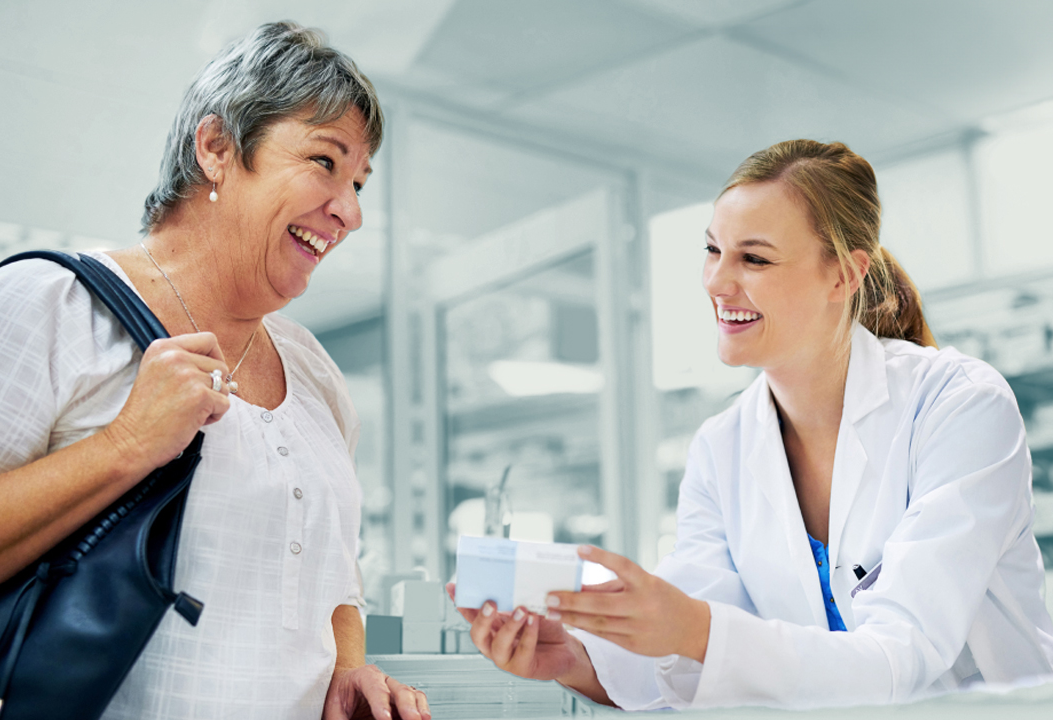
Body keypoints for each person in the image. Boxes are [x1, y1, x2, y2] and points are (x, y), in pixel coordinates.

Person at [450, 139, 1053, 709]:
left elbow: (900, 659)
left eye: (754, 258)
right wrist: (577, 657)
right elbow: (688, 656)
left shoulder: (958, 405)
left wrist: (694, 628)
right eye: (713, 250)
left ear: (844, 276)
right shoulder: (722, 446)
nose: (716, 281)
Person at [0, 22, 428, 720]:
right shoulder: (50, 303)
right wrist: (124, 446)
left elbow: (336, 576)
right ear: (216, 148)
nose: (352, 212)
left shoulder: (315, 373)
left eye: (359, 183)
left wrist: (346, 670)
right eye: (325, 161)